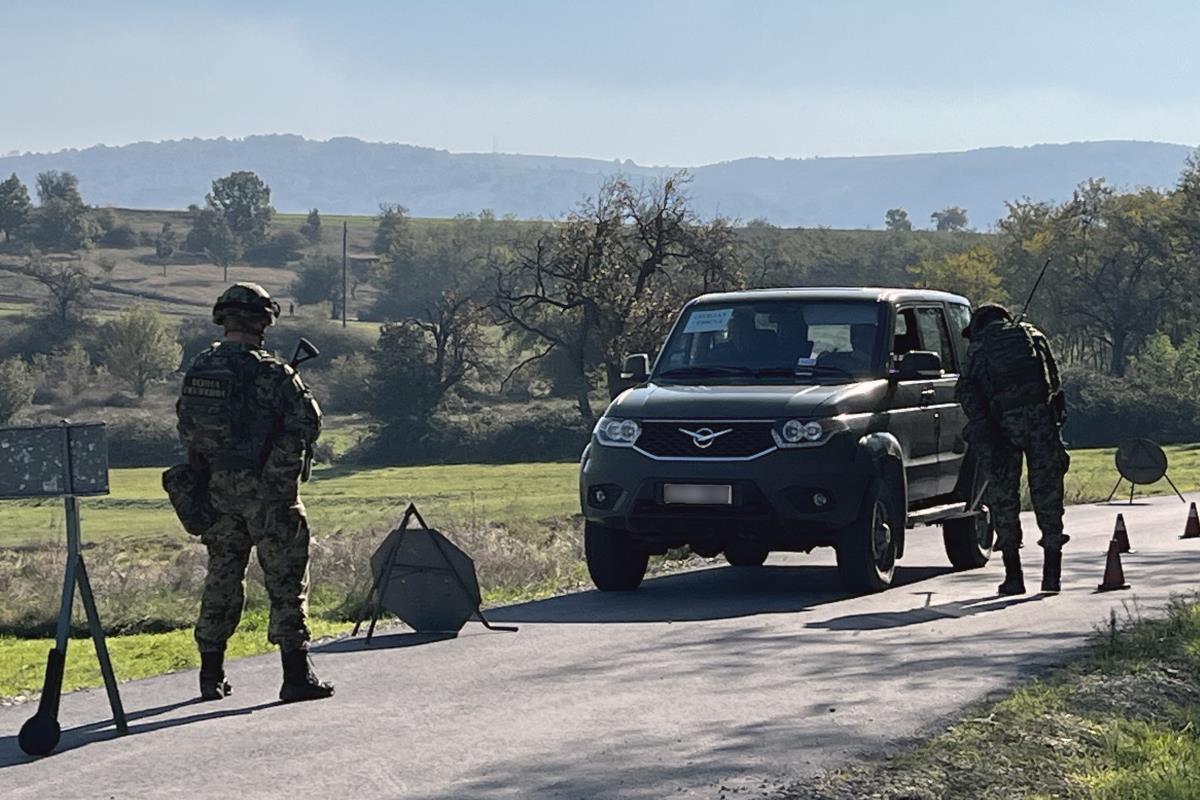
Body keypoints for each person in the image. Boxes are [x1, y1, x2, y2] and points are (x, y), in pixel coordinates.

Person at [176, 282, 333, 703]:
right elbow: (308, 424)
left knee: (223, 576)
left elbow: (187, 429)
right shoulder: (273, 372)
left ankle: (211, 674)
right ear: (264, 321)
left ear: (222, 318)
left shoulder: (200, 370)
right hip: (270, 494)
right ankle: (295, 675)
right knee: (286, 579)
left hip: (217, 492)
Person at [956, 303, 1070, 595]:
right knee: (1047, 495)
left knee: (1004, 501)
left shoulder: (979, 347)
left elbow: (966, 391)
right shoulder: (1033, 336)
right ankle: (1051, 576)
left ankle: (1014, 577)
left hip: (999, 429)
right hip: (1041, 425)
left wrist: (982, 422)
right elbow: (1054, 381)